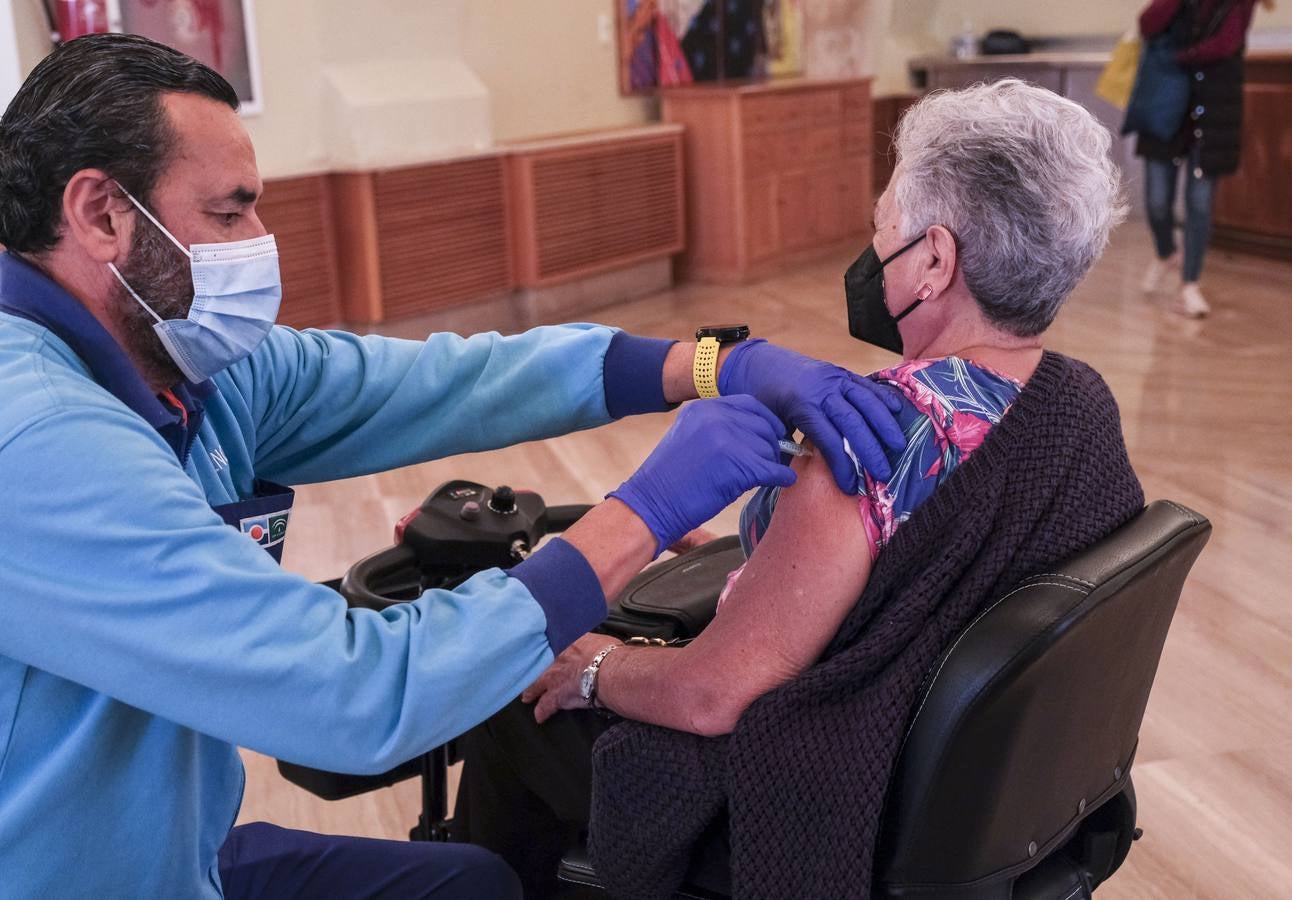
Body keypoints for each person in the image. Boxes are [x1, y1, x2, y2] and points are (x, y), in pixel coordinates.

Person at [0, 34, 908, 899]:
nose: (257, 238)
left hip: (172, 852)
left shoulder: (185, 366)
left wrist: (708, 363)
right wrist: (644, 511)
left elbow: (449, 380)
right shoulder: (36, 442)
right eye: (230, 209)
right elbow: (356, 694)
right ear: (103, 214)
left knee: (472, 882)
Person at [451, 78, 1148, 898]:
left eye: (881, 226)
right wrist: (767, 554)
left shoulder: (867, 437)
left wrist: (596, 664)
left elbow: (714, 694)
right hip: (967, 805)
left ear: (933, 259)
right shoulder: (1080, 403)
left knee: (510, 692)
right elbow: (927, 583)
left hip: (824, 798)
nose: (870, 251)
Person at [1135, 0, 1272, 317]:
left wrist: (1178, 58)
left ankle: (1189, 285)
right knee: (1157, 200)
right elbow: (1147, 25)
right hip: (1166, 106)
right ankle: (1166, 253)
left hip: (1212, 110)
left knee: (1199, 202)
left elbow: (1224, 45)